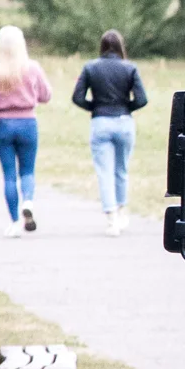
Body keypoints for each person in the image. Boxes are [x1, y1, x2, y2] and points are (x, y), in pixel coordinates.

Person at [0, 24, 52, 237]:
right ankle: (28, 201)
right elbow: (46, 95)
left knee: (9, 176)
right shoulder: (32, 68)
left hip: (4, 125)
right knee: (27, 170)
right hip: (28, 123)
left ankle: (15, 222)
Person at [73, 29, 149, 236]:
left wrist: (95, 108)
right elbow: (142, 99)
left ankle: (111, 218)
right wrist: (126, 107)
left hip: (100, 122)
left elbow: (77, 97)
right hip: (124, 122)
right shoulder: (130, 68)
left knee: (104, 172)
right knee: (121, 170)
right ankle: (123, 210)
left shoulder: (90, 68)